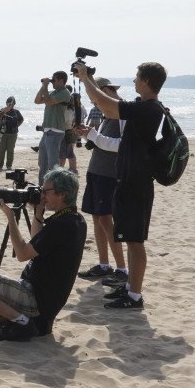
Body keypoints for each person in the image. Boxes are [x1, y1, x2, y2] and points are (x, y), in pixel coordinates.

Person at [0, 168, 86, 341]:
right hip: (45, 302)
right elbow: (38, 243)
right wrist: (38, 213)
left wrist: (11, 217)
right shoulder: (75, 220)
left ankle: (22, 322)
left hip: (34, 297)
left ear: (61, 194)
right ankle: (24, 320)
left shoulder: (62, 225)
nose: (42, 195)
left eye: (45, 191)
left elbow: (23, 254)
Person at [79, 61, 168, 310]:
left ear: (147, 81)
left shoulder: (149, 108)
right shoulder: (144, 107)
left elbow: (107, 105)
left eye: (137, 77)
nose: (134, 81)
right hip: (129, 181)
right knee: (130, 238)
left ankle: (135, 295)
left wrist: (86, 78)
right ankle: (130, 289)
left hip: (137, 183)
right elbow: (108, 109)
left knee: (136, 241)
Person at [74, 78, 127, 284]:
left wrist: (93, 136)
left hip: (110, 175)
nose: (95, 103)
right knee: (97, 218)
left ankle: (122, 268)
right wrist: (89, 135)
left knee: (106, 219)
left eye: (95, 98)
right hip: (96, 171)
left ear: (105, 91)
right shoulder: (108, 112)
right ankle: (104, 265)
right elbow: (102, 141)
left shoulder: (122, 112)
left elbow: (122, 145)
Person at [33, 70, 73, 185]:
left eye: (54, 80)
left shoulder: (65, 92)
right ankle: (42, 188)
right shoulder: (53, 92)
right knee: (42, 163)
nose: (52, 83)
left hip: (55, 132)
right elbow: (37, 100)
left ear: (61, 81)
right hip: (46, 132)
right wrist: (43, 86)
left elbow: (49, 102)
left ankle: (55, 188)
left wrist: (45, 85)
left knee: (52, 164)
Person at [0, 96, 24, 171]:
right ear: (6, 103)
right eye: (9, 103)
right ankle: (0, 165)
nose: (10, 105)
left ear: (14, 104)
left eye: (11, 104)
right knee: (1, 149)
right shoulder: (2, 110)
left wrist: (17, 125)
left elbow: (21, 119)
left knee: (10, 150)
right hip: (3, 133)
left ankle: (9, 165)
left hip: (13, 134)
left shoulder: (16, 112)